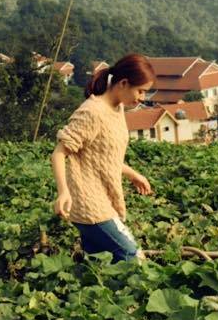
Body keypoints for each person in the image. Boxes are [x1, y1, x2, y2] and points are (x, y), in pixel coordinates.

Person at [51, 53, 155, 261]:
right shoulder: (92, 112)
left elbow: (103, 156)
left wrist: (132, 174)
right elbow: (59, 154)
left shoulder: (117, 109)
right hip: (90, 205)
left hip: (103, 200)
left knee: (99, 266)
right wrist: (63, 192)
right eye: (141, 91)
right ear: (124, 83)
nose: (142, 98)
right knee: (133, 257)